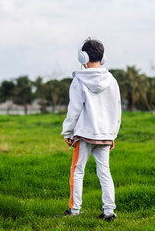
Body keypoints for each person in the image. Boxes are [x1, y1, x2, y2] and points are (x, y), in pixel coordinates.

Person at [59, 38, 121, 221]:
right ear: (103, 58)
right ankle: (109, 211)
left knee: (77, 171)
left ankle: (74, 210)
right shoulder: (112, 81)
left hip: (84, 135)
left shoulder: (79, 80)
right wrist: (112, 135)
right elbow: (116, 110)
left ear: (82, 57)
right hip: (105, 135)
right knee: (105, 172)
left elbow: (74, 110)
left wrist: (67, 132)